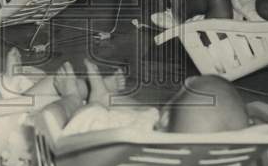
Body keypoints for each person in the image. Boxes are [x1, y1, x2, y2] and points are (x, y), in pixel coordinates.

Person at [41, 59, 249, 139]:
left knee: (85, 114)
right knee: (148, 114)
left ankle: (75, 98)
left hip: (97, 145)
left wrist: (75, 99)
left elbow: (86, 124)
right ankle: (106, 97)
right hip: (159, 145)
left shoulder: (134, 145)